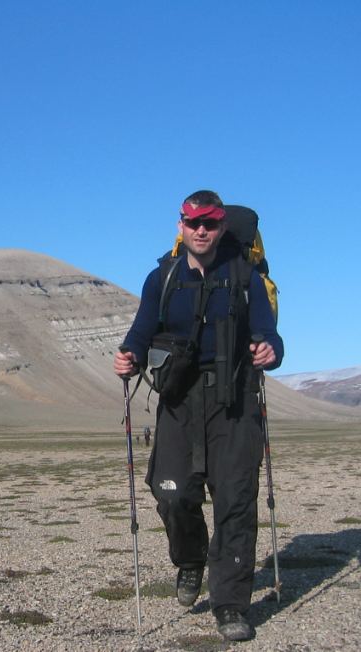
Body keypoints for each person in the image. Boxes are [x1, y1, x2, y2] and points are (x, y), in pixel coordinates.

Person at [113, 189, 283, 642]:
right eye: (193, 223)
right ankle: (190, 560)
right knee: (171, 494)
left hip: (235, 402)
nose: (201, 230)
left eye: (210, 223)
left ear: (222, 226)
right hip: (179, 401)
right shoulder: (162, 278)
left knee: (235, 503)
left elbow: (269, 332)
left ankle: (230, 605)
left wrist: (270, 350)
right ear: (181, 227)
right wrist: (129, 354)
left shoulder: (244, 277)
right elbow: (141, 330)